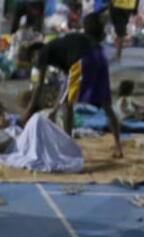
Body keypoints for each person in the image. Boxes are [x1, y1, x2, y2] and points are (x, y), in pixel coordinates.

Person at [24, 14, 123, 159]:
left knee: (67, 104)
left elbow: (39, 86)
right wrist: (55, 108)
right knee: (106, 104)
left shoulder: (43, 54)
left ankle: (67, 144)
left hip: (83, 59)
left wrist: (28, 111)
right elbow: (67, 83)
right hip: (100, 56)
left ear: (35, 53)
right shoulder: (59, 49)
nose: (35, 64)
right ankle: (118, 146)